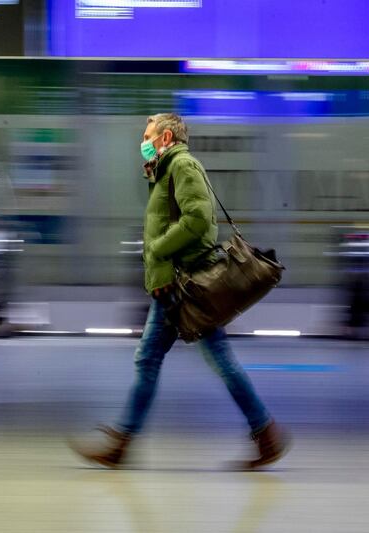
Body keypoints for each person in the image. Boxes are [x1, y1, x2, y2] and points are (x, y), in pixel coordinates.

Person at [70, 113, 290, 469]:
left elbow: (199, 219)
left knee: (155, 360)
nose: (142, 143)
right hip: (174, 283)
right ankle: (265, 433)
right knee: (198, 359)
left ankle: (122, 444)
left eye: (147, 136)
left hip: (183, 285)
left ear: (166, 136)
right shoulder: (165, 169)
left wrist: (158, 247)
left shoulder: (183, 165)